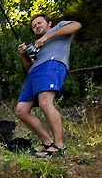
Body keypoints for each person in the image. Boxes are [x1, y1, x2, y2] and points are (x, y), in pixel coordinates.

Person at [14, 14, 82, 157]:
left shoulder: (59, 28)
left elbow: (77, 25)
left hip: (52, 65)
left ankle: (59, 145)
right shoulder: (35, 46)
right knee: (21, 110)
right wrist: (23, 55)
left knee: (45, 102)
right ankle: (47, 142)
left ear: (49, 23)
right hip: (34, 73)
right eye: (34, 26)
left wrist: (46, 37)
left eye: (39, 23)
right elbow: (28, 67)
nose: (37, 26)